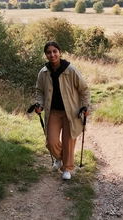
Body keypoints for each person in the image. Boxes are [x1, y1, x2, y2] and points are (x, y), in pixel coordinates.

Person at [35, 41, 90, 180]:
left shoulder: (71, 70)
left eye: (55, 51)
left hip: (71, 112)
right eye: (49, 52)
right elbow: (39, 91)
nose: (52, 54)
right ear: (46, 55)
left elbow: (84, 89)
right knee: (51, 142)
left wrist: (85, 106)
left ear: (60, 53)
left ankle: (67, 168)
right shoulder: (44, 72)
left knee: (68, 141)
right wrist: (39, 104)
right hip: (53, 111)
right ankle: (59, 158)